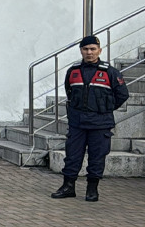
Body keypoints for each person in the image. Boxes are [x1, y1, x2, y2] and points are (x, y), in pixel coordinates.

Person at [52, 35, 130, 202]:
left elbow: (122, 94)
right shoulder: (73, 71)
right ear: (81, 50)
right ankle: (68, 187)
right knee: (72, 155)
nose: (89, 52)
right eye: (86, 49)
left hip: (100, 123)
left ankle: (92, 189)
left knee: (97, 156)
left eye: (93, 49)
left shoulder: (110, 72)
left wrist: (105, 108)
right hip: (77, 123)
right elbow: (69, 92)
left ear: (99, 51)